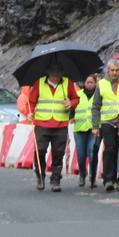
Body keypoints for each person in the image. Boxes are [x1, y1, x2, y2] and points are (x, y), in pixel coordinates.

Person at [24, 64, 79, 192]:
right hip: (42, 124)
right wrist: (30, 112)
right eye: (54, 76)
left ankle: (55, 180)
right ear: (49, 74)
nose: (56, 78)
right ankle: (40, 175)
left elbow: (76, 98)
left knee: (58, 153)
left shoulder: (67, 83)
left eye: (59, 76)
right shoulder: (39, 83)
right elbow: (31, 101)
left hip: (60, 124)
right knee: (40, 150)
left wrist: (71, 103)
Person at [94, 61, 119, 192]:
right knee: (110, 149)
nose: (114, 72)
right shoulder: (101, 84)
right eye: (112, 70)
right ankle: (108, 179)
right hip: (107, 122)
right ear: (107, 71)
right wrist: (95, 126)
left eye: (116, 70)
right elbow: (96, 106)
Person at [72, 74, 100, 188]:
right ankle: (82, 174)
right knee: (81, 154)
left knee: (93, 153)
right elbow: (72, 108)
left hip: (93, 129)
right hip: (80, 129)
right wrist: (70, 117)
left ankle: (92, 177)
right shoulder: (78, 95)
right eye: (87, 82)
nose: (89, 84)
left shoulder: (99, 96)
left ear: (95, 83)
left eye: (91, 82)